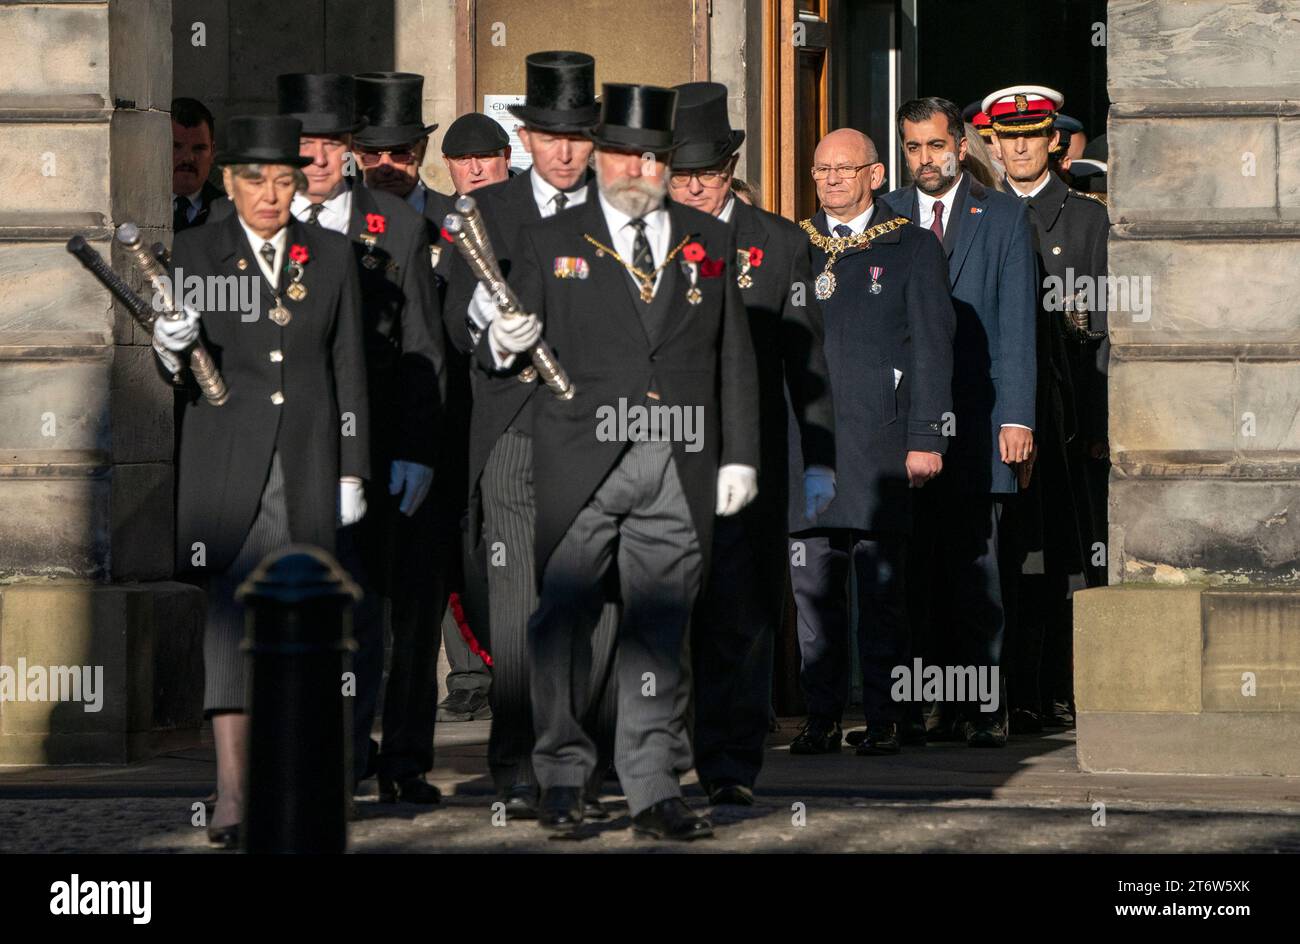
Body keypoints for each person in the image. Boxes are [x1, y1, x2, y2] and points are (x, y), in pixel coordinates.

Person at [483, 82, 759, 839]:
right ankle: (564, 776)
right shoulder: (553, 238)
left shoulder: (711, 238)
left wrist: (740, 455)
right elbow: (505, 334)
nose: (638, 169)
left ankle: (651, 786)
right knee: (561, 621)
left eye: (653, 156)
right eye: (623, 154)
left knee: (660, 631)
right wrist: (500, 341)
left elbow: (733, 355)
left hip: (678, 460)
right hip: (579, 459)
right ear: (601, 158)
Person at [155, 114, 369, 846]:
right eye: (256, 180)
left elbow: (349, 370)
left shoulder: (333, 255)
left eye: (284, 179)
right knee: (227, 628)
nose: (271, 195)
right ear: (229, 182)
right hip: (227, 466)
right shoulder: (193, 253)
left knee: (310, 629)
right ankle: (235, 791)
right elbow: (178, 371)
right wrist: (169, 347)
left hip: (308, 461)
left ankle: (302, 781)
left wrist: (354, 466)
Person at [444, 50, 619, 818]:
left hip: (597, 427)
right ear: (526, 136)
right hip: (514, 424)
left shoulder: (625, 205)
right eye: (551, 134)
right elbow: (457, 320)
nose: (566, 149)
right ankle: (520, 756)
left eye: (579, 135)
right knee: (516, 604)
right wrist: (493, 335)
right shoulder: (488, 212)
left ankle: (584, 746)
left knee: (596, 598)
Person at [277, 72, 447, 802]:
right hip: (284, 448)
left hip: (373, 447)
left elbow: (422, 346)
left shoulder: (395, 225)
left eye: (328, 144)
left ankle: (358, 757)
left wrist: (416, 447)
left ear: (351, 149)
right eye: (303, 145)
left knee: (372, 610)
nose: (316, 157)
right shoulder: (259, 222)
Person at [665, 82, 835, 802]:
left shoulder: (781, 243)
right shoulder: (647, 237)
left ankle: (732, 763)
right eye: (680, 174)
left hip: (751, 458)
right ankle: (664, 752)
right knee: (666, 617)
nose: (694, 186)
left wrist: (820, 459)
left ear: (731, 166)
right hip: (665, 455)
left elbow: (809, 364)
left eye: (705, 172)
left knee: (740, 616)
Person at [779, 128, 954, 757]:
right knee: (814, 596)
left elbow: (934, 349)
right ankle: (821, 715)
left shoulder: (911, 247)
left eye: (844, 169)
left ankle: (885, 716)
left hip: (881, 448)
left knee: (882, 597)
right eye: (821, 169)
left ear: (875, 175)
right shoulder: (792, 245)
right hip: (807, 450)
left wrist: (928, 435)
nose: (829, 180)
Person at [879, 97, 1037, 748]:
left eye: (935, 146)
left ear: (962, 143)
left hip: (979, 421)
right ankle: (926, 706)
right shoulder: (883, 215)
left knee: (977, 571)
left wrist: (1020, 417)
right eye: (913, 148)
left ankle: (985, 707)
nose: (925, 159)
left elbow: (1017, 324)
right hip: (905, 426)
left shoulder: (1002, 216)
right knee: (916, 575)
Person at [350, 73, 492, 725]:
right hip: (356, 426)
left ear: (420, 153)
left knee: (435, 572)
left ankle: (457, 684)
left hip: (445, 418)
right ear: (356, 154)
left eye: (401, 152)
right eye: (373, 153)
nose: (387, 165)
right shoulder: (333, 223)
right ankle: (359, 714)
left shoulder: (455, 221)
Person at [986, 86, 1108, 731]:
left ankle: (1053, 689)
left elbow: (1105, 331)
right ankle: (1002, 695)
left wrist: (1094, 426)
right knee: (1003, 555)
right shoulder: (978, 212)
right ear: (992, 143)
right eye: (1009, 137)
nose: (1021, 146)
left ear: (1054, 139)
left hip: (1061, 416)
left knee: (1062, 559)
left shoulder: (1086, 219)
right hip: (997, 413)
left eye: (1033, 133)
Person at [172, 97, 224, 232]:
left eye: (199, 148)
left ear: (212, 152)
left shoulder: (231, 215)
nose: (188, 158)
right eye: (176, 146)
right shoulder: (132, 209)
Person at [442, 112, 512, 194]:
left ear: (507, 156)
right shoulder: (436, 206)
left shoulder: (529, 204)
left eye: (484, 156)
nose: (476, 170)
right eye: (463, 159)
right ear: (447, 163)